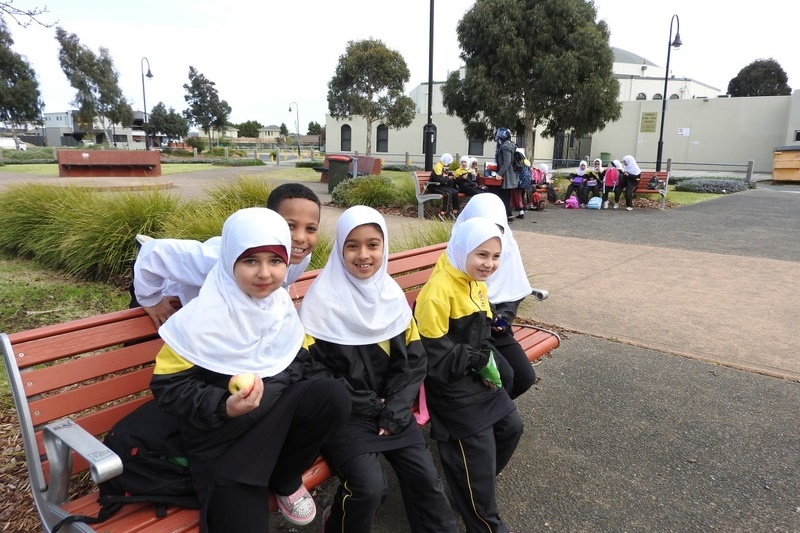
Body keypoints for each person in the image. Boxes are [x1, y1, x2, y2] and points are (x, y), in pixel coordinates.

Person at [150, 207, 351, 533]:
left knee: (331, 395)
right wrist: (224, 405)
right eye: (250, 261)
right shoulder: (200, 319)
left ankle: (284, 477)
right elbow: (169, 388)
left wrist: (270, 390)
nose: (264, 273)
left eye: (275, 261)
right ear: (230, 260)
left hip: (272, 427)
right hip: (224, 442)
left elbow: (302, 361)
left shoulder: (281, 306)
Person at [299, 205, 458, 533]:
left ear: (383, 248)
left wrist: (397, 407)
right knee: (371, 489)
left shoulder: (390, 296)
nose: (363, 254)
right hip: (344, 415)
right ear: (340, 247)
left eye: (373, 244)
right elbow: (312, 374)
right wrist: (371, 405)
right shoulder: (320, 303)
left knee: (427, 482)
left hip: (393, 411)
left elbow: (414, 361)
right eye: (352, 245)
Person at [414, 217, 524, 533]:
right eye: (482, 255)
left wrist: (491, 365)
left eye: (495, 256)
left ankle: (470, 488)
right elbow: (432, 358)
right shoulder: (437, 292)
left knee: (510, 428)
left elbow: (483, 335)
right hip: (449, 387)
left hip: (474, 375)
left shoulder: (474, 282)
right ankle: (482, 513)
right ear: (463, 250)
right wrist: (478, 361)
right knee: (478, 458)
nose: (489, 263)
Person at [133, 183, 321, 326]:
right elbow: (153, 254)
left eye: (310, 228)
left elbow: (283, 282)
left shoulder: (301, 257)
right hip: (167, 294)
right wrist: (152, 300)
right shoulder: (217, 259)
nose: (300, 238)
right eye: (290, 226)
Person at [453, 193, 536, 399]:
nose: (490, 235)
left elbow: (514, 288)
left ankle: (491, 414)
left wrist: (504, 317)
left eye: (497, 228)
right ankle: (485, 419)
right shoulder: (458, 249)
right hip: (463, 332)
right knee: (503, 375)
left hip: (495, 328)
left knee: (524, 376)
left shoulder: (505, 244)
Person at [494, 127, 519, 222]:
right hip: (509, 174)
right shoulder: (510, 144)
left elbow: (507, 161)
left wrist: (499, 173)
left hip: (507, 175)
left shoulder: (505, 146)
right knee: (506, 195)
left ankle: (508, 215)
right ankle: (508, 214)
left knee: (503, 195)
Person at [429, 153, 460, 220]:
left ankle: (455, 210)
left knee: (455, 192)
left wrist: (451, 175)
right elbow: (439, 179)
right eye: (449, 162)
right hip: (434, 186)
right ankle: (443, 212)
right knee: (448, 193)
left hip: (441, 186)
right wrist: (448, 178)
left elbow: (446, 175)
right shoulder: (438, 167)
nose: (449, 164)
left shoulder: (444, 166)